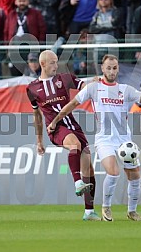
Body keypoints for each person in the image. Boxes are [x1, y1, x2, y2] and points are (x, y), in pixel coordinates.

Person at [47, 54, 141, 221]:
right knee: (113, 172)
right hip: (105, 139)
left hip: (124, 140)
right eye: (108, 68)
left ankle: (132, 211)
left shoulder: (125, 90)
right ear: (103, 69)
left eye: (114, 68)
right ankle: (106, 208)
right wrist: (55, 120)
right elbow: (73, 104)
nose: (112, 71)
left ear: (118, 69)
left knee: (134, 175)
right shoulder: (93, 88)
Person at [26, 50, 101, 221]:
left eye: (56, 61)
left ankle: (89, 212)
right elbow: (36, 115)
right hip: (56, 128)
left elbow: (83, 86)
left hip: (73, 125)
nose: (55, 65)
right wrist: (39, 140)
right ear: (43, 64)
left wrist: (94, 83)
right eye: (52, 62)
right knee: (74, 145)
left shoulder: (65, 78)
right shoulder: (32, 88)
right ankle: (77, 182)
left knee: (89, 170)